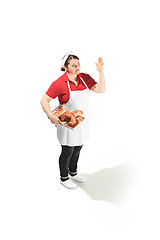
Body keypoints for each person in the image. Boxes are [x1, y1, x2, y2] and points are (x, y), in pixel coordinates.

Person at [40, 51, 106, 189]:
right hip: (66, 124)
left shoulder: (84, 78)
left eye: (79, 64)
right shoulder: (59, 83)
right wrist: (51, 116)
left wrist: (101, 72)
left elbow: (101, 90)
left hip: (82, 122)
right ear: (65, 67)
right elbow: (44, 100)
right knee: (67, 151)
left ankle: (73, 172)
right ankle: (64, 177)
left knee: (78, 148)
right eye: (74, 65)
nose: (78, 67)